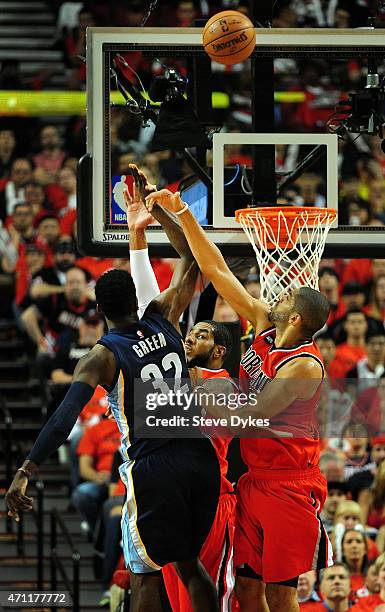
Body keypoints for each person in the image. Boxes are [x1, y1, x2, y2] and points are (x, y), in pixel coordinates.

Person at [5, 199, 221, 612]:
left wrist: (26, 469)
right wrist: (158, 211)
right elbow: (193, 258)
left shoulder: (102, 356)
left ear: (99, 308)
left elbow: (65, 416)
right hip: (199, 456)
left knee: (143, 572)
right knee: (190, 565)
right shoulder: (162, 315)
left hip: (155, 465)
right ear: (135, 301)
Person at [146, 188, 332, 612]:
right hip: (254, 482)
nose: (275, 294)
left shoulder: (304, 366)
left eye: (285, 297)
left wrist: (200, 393)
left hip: (290, 484)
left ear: (297, 317)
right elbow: (216, 269)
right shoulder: (265, 324)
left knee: (281, 595)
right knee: (247, 592)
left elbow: (253, 415)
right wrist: (182, 214)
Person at [125, 164, 236, 610]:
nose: (191, 335)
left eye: (204, 333)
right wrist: (144, 227)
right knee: (177, 589)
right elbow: (153, 311)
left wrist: (160, 219)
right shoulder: (180, 368)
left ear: (220, 352)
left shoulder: (214, 386)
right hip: (173, 486)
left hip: (211, 498)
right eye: (192, 331)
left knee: (200, 591)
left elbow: (163, 299)